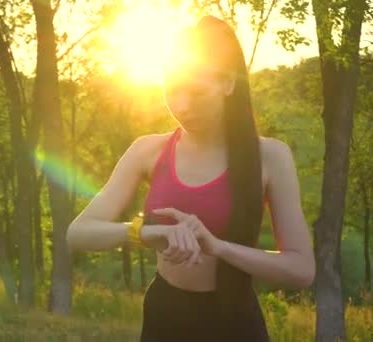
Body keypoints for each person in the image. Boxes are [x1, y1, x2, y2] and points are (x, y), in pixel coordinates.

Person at [65, 15, 315, 341]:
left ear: (228, 83)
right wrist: (147, 232)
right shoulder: (148, 151)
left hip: (234, 322)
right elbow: (78, 233)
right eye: (172, 89)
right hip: (164, 316)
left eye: (196, 91)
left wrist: (220, 248)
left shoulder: (269, 157)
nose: (181, 105)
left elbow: (301, 269)